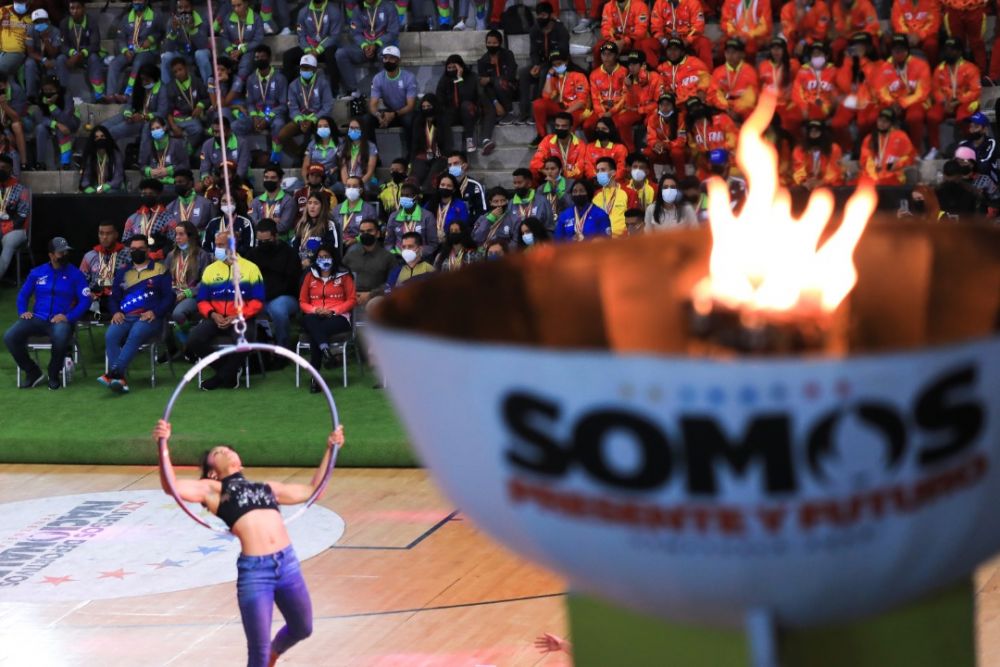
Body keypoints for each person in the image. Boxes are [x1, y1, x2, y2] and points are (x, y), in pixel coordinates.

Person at [152, 419, 345, 666]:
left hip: (287, 564)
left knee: (302, 628)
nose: (225, 451)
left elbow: (314, 491)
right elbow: (172, 487)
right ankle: (266, 657)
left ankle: (276, 652)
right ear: (212, 472)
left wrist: (331, 449)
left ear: (239, 461)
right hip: (256, 573)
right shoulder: (213, 490)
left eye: (228, 449)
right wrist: (163, 444)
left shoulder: (267, 488)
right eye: (218, 452)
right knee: (258, 652)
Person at [4, 237, 89, 390]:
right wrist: (23, 311)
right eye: (61, 252)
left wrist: (68, 317)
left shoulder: (75, 274)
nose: (64, 255)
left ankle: (53, 373)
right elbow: (23, 295)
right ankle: (32, 372)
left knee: (61, 336)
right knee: (10, 336)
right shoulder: (37, 272)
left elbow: (85, 300)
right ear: (51, 255)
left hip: (60, 320)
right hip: (38, 318)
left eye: (66, 252)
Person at [187, 230, 265, 390]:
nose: (217, 249)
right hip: (215, 318)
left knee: (244, 341)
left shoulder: (251, 268)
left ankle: (220, 378)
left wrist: (237, 316)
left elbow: (258, 301)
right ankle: (229, 371)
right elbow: (202, 300)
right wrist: (213, 314)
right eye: (216, 245)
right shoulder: (210, 269)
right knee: (193, 340)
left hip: (241, 318)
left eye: (221, 245)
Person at [99, 235, 173, 393]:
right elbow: (114, 298)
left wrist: (155, 312)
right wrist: (116, 312)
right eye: (133, 249)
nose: (136, 252)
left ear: (148, 250)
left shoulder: (160, 269)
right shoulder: (122, 272)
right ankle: (119, 379)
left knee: (137, 332)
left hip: (150, 318)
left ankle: (114, 373)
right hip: (126, 316)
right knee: (111, 335)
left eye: (140, 249)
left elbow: (169, 297)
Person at [299, 242, 356, 391]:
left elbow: (351, 300)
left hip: (338, 317)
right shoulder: (310, 275)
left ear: (333, 258)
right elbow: (302, 301)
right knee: (309, 320)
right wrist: (315, 309)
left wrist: (334, 311)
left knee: (315, 332)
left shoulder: (344, 275)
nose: (323, 259)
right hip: (314, 315)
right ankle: (326, 352)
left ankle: (315, 377)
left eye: (326, 256)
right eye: (320, 257)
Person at [244, 219, 302, 351]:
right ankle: (253, 349)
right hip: (259, 297)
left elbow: (292, 282)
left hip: (285, 296)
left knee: (278, 310)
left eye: (267, 241)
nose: (263, 244)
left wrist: (267, 294)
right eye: (260, 241)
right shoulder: (253, 254)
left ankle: (282, 348)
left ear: (276, 236)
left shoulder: (289, 253)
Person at [871, 35, 932, 154]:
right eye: (895, 50)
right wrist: (891, 103)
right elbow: (881, 91)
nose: (898, 52)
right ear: (891, 51)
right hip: (892, 103)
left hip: (915, 102)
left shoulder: (921, 65)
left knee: (914, 117)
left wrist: (902, 103)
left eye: (901, 49)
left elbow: (922, 92)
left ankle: (916, 150)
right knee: (876, 116)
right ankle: (882, 151)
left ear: (907, 50)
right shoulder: (883, 67)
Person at [927, 37, 981, 158]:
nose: (949, 52)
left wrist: (958, 101)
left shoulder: (970, 68)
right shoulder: (939, 69)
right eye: (947, 49)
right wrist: (944, 102)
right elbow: (936, 90)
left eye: (953, 50)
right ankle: (935, 148)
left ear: (960, 52)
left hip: (965, 102)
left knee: (964, 117)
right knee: (932, 116)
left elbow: (975, 91)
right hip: (946, 102)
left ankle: (972, 145)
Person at [335, 0, 401, 97]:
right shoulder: (357, 9)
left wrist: (377, 44)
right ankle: (353, 90)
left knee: (387, 54)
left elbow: (393, 32)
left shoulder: (389, 7)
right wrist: (364, 45)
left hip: (382, 46)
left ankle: (384, 90)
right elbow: (355, 32)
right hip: (364, 48)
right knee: (341, 53)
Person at [518, 3, 570, 124]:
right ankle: (523, 111)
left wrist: (546, 66)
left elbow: (563, 52)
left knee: (544, 72)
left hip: (558, 63)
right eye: (539, 15)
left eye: (544, 15)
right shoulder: (534, 30)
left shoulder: (560, 30)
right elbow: (533, 52)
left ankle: (537, 111)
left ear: (551, 15)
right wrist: (536, 64)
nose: (541, 18)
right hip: (541, 63)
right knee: (523, 73)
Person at [163, 220, 211, 345]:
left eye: (181, 234)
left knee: (178, 314)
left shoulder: (202, 255)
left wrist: (186, 293)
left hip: (192, 295)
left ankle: (189, 341)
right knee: (159, 310)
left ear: (190, 236)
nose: (177, 238)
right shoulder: (171, 255)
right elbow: (164, 279)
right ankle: (171, 347)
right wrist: (171, 293)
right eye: (176, 234)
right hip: (174, 293)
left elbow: (205, 281)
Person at [280, 54, 334, 160]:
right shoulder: (293, 85)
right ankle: (299, 155)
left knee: (322, 131)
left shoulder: (323, 83)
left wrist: (313, 119)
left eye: (307, 68)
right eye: (303, 68)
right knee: (282, 135)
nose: (304, 70)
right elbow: (293, 108)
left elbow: (327, 106)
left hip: (319, 118)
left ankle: (319, 157)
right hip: (301, 119)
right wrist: (300, 120)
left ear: (314, 69)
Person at [366, 46, 417, 158]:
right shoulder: (378, 78)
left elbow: (411, 105)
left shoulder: (409, 77)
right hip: (389, 112)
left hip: (404, 112)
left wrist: (394, 114)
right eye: (385, 58)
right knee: (367, 120)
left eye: (391, 58)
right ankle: (373, 156)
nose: (387, 61)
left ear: (398, 61)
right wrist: (378, 116)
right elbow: (373, 105)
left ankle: (412, 155)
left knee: (409, 120)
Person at [437, 53, 494, 155]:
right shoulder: (444, 80)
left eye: (454, 67)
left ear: (461, 67)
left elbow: (467, 97)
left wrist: (459, 79)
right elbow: (439, 99)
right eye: (449, 68)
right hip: (453, 113)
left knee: (465, 105)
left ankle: (469, 140)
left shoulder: (471, 77)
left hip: (470, 111)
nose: (451, 70)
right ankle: (444, 150)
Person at [106, 0, 162, 102]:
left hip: (147, 51)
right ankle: (110, 95)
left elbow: (160, 32)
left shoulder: (155, 16)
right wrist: (125, 50)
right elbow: (121, 38)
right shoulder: (126, 18)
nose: (137, 2)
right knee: (114, 63)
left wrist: (151, 39)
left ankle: (128, 94)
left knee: (138, 63)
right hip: (130, 51)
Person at [282, 0, 343, 94]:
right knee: (288, 56)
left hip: (326, 47)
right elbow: (301, 34)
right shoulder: (303, 12)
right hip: (309, 48)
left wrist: (317, 50)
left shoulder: (334, 11)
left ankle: (334, 90)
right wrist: (307, 49)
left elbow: (335, 36)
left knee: (331, 56)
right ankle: (288, 91)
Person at [531, 50, 590, 145]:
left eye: (559, 64)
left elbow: (581, 102)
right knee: (538, 104)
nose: (557, 67)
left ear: (566, 62)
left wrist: (566, 113)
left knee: (568, 120)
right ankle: (541, 135)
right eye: (554, 65)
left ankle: (566, 144)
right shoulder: (555, 78)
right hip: (561, 107)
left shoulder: (578, 76)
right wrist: (548, 76)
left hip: (578, 110)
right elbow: (546, 96)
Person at [243, 45, 288, 163]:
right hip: (257, 115)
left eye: (262, 57)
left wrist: (267, 118)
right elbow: (250, 102)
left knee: (279, 124)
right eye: (257, 57)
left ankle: (275, 159)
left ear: (269, 58)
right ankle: (243, 159)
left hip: (274, 115)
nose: (259, 60)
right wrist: (254, 117)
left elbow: (283, 105)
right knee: (236, 126)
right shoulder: (251, 79)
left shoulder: (280, 78)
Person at [342, 218, 399, 310]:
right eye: (362, 232)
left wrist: (371, 294)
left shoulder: (388, 257)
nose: (365, 234)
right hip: (351, 298)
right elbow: (339, 277)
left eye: (369, 231)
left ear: (378, 233)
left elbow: (392, 283)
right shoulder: (350, 255)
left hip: (377, 300)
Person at [102, 63, 163, 147]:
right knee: (102, 128)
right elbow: (130, 104)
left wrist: (143, 116)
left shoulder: (162, 90)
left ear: (155, 79)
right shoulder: (139, 85)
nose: (144, 83)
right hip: (134, 115)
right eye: (142, 79)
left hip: (148, 120)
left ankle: (108, 153)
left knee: (113, 132)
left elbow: (162, 113)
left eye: (147, 80)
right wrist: (128, 114)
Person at [789, 41, 838, 139]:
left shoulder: (834, 71)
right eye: (814, 54)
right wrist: (804, 109)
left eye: (819, 53)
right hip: (807, 109)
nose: (816, 56)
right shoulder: (803, 71)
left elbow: (838, 94)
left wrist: (832, 111)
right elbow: (796, 91)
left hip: (827, 109)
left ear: (826, 56)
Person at [80, 221, 128, 317]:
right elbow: (80, 281)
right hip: (94, 298)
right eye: (101, 233)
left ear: (116, 235)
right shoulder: (89, 256)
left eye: (108, 233)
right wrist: (89, 293)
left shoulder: (128, 255)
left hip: (119, 298)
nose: (104, 237)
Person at [685, 96, 739, 180]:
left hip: (731, 164)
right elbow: (695, 151)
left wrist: (718, 151)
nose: (695, 110)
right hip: (708, 169)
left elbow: (734, 138)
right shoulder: (692, 130)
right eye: (692, 109)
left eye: (697, 106)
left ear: (702, 106)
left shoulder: (722, 119)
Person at [618, 50, 661, 153]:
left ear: (643, 65)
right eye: (629, 64)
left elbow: (658, 102)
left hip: (651, 110)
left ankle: (651, 148)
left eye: (634, 64)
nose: (631, 67)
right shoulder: (628, 80)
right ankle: (630, 150)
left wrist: (641, 109)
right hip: (636, 110)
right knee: (621, 120)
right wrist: (630, 88)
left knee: (650, 120)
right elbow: (630, 104)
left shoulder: (655, 77)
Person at [859, 108, 917, 185]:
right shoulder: (869, 138)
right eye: (880, 120)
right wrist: (874, 176)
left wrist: (898, 164)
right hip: (872, 176)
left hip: (893, 176)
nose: (882, 123)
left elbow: (911, 156)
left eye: (886, 121)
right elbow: (865, 159)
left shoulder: (901, 137)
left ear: (891, 123)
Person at [32, 76, 79, 170]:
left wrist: (52, 105)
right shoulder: (41, 98)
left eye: (51, 90)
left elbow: (64, 118)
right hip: (54, 123)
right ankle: (40, 163)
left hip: (70, 122)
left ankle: (65, 163)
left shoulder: (66, 95)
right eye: (45, 90)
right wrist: (56, 124)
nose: (48, 92)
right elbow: (40, 118)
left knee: (61, 130)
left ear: (57, 88)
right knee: (40, 129)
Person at [162, 57, 209, 150]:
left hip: (193, 117)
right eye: (175, 72)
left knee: (198, 128)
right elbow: (168, 110)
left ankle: (187, 149)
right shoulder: (170, 87)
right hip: (178, 119)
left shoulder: (196, 81)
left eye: (180, 69)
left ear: (186, 68)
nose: (178, 73)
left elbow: (207, 97)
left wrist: (200, 106)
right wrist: (174, 127)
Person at [160, 0, 211, 85]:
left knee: (201, 54)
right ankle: (166, 88)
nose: (183, 10)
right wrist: (173, 31)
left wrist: (192, 29)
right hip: (181, 53)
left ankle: (209, 86)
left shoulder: (201, 19)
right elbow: (168, 48)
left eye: (187, 7)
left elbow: (203, 45)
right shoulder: (172, 21)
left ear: (192, 7)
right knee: (166, 57)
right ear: (177, 9)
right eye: (180, 8)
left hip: (197, 52)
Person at [529, 111, 588, 183]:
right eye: (557, 126)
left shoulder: (580, 145)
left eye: (564, 126)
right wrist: (549, 172)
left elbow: (579, 170)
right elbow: (535, 162)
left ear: (571, 128)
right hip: (550, 178)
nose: (560, 128)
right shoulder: (548, 140)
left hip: (571, 181)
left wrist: (560, 176)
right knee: (533, 171)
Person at [218, 0, 264, 90]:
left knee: (244, 67)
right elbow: (224, 37)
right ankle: (221, 93)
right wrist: (230, 51)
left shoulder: (256, 18)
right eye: (233, 6)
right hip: (232, 50)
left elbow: (258, 40)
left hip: (249, 50)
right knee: (221, 65)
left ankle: (234, 93)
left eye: (239, 5)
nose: (236, 9)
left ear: (246, 3)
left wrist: (242, 50)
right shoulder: (228, 18)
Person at [651, 0, 713, 66]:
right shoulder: (660, 2)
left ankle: (706, 71)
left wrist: (687, 40)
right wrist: (662, 39)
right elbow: (656, 27)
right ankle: (652, 71)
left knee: (704, 43)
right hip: (667, 37)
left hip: (687, 37)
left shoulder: (693, 2)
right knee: (647, 44)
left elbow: (698, 27)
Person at [759, 37, 801, 134]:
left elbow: (799, 85)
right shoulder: (763, 65)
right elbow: (760, 85)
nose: (776, 51)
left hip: (787, 105)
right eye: (773, 48)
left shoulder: (793, 65)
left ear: (784, 50)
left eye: (779, 48)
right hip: (769, 105)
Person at [477, 30, 519, 127]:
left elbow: (511, 76)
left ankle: (510, 112)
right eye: (489, 43)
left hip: (510, 88)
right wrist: (495, 102)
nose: (491, 45)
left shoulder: (508, 55)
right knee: (480, 87)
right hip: (493, 94)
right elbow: (484, 84)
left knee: (500, 82)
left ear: (500, 43)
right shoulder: (482, 61)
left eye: (494, 43)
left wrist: (490, 79)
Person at [585, 42, 627, 137]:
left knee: (618, 125)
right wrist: (602, 113)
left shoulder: (624, 72)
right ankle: (594, 145)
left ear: (616, 56)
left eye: (610, 54)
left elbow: (625, 96)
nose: (606, 57)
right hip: (601, 110)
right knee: (587, 126)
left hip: (618, 109)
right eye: (604, 54)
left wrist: (612, 112)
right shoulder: (594, 74)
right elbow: (595, 97)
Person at [712, 38, 760, 121]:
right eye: (728, 52)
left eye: (734, 52)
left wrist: (737, 110)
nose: (730, 55)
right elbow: (714, 93)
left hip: (743, 110)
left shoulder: (750, 71)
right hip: (723, 109)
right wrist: (725, 107)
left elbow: (751, 97)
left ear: (742, 54)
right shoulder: (718, 72)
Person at [385, 183, 438, 258]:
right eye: (402, 195)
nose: (404, 198)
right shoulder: (393, 216)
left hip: (420, 258)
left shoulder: (427, 216)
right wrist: (394, 254)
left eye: (407, 195)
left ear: (415, 197)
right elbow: (388, 243)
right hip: (398, 258)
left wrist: (418, 253)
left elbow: (433, 244)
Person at [409, 93, 449, 191]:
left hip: (439, 156)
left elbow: (447, 143)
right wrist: (411, 161)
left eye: (429, 106)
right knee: (414, 180)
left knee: (430, 182)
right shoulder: (418, 121)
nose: (426, 109)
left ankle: (427, 196)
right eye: (424, 107)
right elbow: (414, 144)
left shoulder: (442, 120)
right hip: (422, 155)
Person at [0, 154, 30, 282]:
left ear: (10, 169)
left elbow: (22, 216)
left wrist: (6, 228)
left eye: (4, 168)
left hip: (17, 229)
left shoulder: (21, 189)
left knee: (8, 242)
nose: (1, 170)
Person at [656, 37, 711, 105]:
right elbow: (661, 86)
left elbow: (706, 79)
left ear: (682, 52)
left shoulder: (695, 63)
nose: (672, 52)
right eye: (669, 49)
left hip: (693, 101)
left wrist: (701, 90)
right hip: (674, 103)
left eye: (675, 49)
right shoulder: (662, 68)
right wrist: (667, 91)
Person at [791, 119, 844, 187]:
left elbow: (834, 169)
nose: (813, 133)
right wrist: (804, 181)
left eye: (816, 131)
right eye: (811, 131)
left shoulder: (834, 148)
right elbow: (798, 168)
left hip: (829, 184)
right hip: (807, 184)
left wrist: (822, 181)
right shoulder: (799, 149)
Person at [644, 92, 687, 177]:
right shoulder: (653, 118)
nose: (664, 107)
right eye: (662, 105)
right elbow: (650, 137)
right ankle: (652, 179)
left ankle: (681, 178)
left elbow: (681, 140)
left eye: (668, 104)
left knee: (677, 152)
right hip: (661, 149)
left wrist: (668, 145)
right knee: (648, 152)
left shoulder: (680, 117)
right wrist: (655, 144)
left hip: (675, 148)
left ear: (673, 106)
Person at [24, 9, 62, 101]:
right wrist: (43, 60)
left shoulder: (55, 31)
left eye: (42, 21)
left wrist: (46, 39)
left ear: (48, 21)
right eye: (37, 22)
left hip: (51, 58)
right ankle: (31, 97)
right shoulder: (30, 30)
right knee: (29, 64)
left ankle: (53, 95)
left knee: (54, 64)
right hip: (37, 58)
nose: (40, 24)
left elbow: (53, 53)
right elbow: (30, 52)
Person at [139, 116, 189, 187]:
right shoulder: (148, 145)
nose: (155, 131)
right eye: (152, 129)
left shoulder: (176, 143)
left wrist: (168, 171)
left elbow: (185, 165)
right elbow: (142, 166)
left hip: (172, 183)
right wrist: (150, 171)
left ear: (164, 128)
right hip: (153, 183)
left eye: (158, 128)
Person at [291, 192, 336, 266]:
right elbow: (295, 246)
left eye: (316, 203)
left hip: (319, 263)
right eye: (309, 203)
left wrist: (311, 260)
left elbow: (330, 248)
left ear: (322, 206)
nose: (312, 206)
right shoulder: (302, 224)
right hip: (300, 263)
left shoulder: (328, 225)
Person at [199, 117, 250, 181]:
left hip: (239, 180)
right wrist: (206, 179)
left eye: (220, 131)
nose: (217, 135)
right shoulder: (207, 145)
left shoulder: (242, 144)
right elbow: (204, 167)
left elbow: (242, 168)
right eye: (214, 131)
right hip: (217, 180)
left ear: (229, 131)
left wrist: (232, 181)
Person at [250, 164, 297, 234]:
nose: (269, 180)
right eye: (266, 177)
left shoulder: (289, 201)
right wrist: (272, 220)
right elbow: (252, 222)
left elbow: (283, 226)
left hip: (281, 239)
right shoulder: (255, 201)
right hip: (259, 239)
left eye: (273, 178)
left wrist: (261, 222)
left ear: (280, 180)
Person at [332, 176, 378, 247]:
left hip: (360, 244)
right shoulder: (336, 209)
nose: (351, 189)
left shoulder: (369, 210)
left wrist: (356, 240)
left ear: (361, 190)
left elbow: (371, 231)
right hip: (338, 243)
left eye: (354, 186)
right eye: (348, 186)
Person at [891, 0, 939, 67]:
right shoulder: (899, 2)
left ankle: (931, 69)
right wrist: (907, 35)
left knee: (931, 44)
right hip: (906, 36)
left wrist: (919, 35)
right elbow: (897, 22)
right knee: (894, 42)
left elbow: (933, 23)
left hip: (925, 36)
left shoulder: (932, 2)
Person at [79, 125, 125, 193]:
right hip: (96, 187)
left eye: (102, 136)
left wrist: (104, 187)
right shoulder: (91, 156)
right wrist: (87, 187)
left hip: (112, 187)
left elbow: (118, 177)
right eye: (96, 137)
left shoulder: (115, 154)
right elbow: (86, 176)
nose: (100, 139)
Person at [122, 179, 170, 243]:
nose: (147, 196)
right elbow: (125, 240)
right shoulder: (132, 218)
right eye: (144, 193)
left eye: (151, 193)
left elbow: (172, 241)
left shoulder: (168, 218)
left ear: (158, 195)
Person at [336, 116, 377, 189]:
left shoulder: (371, 146)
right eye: (351, 128)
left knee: (365, 187)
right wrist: (347, 185)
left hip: (365, 181)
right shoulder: (343, 146)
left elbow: (370, 171)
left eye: (356, 128)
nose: (353, 130)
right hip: (349, 181)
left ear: (362, 130)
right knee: (335, 187)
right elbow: (343, 170)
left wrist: (358, 184)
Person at [509, 167, 554, 232]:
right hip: (517, 238)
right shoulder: (511, 203)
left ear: (529, 183)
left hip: (538, 237)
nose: (516, 186)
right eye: (514, 183)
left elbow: (549, 227)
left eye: (519, 183)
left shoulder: (542, 201)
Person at [447, 151, 487, 222]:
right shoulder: (445, 185)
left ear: (465, 166)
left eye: (455, 163)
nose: (452, 167)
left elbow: (482, 213)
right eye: (450, 165)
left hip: (469, 225)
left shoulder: (475, 186)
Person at [299, 116, 340, 187]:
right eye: (319, 126)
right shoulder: (312, 144)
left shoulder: (339, 143)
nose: (322, 128)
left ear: (331, 127)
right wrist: (306, 182)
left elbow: (342, 164)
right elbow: (305, 166)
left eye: (325, 126)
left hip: (331, 177)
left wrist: (336, 168)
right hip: (314, 176)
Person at [0, 72, 29, 170]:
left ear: (6, 84)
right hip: (3, 127)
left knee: (16, 125)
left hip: (20, 123)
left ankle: (24, 162)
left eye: (0, 86)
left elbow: (17, 118)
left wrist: (4, 106)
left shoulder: (16, 91)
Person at [0, 0, 31, 78]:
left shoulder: (33, 16)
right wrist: (4, 18)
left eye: (23, 1)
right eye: (18, 1)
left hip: (16, 52)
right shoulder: (3, 10)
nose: (20, 4)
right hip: (2, 51)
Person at [538, 156, 573, 223]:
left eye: (553, 169)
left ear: (560, 170)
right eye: (547, 169)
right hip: (548, 224)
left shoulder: (571, 184)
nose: (549, 172)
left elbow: (571, 204)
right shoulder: (541, 189)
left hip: (567, 221)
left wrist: (557, 188)